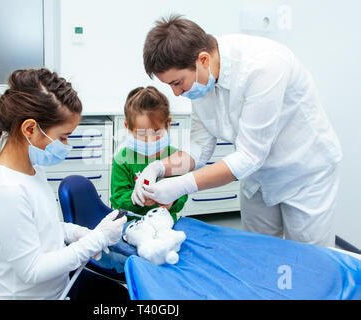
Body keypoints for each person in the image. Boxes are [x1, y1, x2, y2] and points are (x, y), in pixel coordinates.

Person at [134, 15, 342, 247]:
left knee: (310, 261)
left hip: (303, 173)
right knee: (259, 252)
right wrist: (158, 168)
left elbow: (249, 156)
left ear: (202, 60)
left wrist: (180, 185)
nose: (176, 93)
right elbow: (200, 146)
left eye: (177, 83)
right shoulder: (202, 79)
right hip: (258, 175)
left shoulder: (264, 66)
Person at [0, 68, 127, 300]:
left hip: (58, 289)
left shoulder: (32, 167)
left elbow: (40, 226)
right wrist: (95, 240)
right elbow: (32, 270)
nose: (66, 145)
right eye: (63, 136)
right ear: (29, 129)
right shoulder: (7, 190)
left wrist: (72, 232)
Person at [110, 86, 188, 223]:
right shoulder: (123, 160)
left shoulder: (175, 157)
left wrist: (173, 201)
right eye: (142, 134)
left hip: (166, 225)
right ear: (128, 127)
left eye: (157, 132)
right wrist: (138, 198)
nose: (150, 140)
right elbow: (118, 199)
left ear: (168, 123)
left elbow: (183, 193)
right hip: (132, 226)